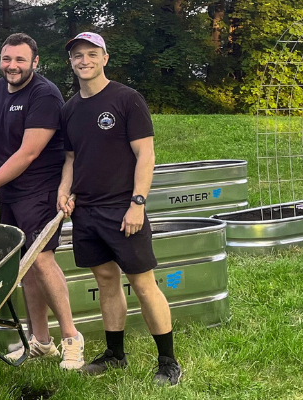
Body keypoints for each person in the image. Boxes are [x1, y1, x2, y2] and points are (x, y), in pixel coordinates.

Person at [57, 32, 182, 385]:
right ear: (71, 62)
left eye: (91, 54)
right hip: (86, 213)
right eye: (78, 55)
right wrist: (64, 191)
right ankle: (115, 355)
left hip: (123, 209)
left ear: (105, 58)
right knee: (107, 281)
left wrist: (137, 203)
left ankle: (168, 361)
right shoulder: (70, 109)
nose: (84, 60)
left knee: (143, 284)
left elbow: (146, 154)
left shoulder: (127, 100)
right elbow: (70, 158)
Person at [0, 33, 84, 370]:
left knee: (43, 260)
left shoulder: (44, 94)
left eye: (20, 60)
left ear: (35, 62)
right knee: (26, 266)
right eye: (7, 59)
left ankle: (71, 338)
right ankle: (41, 342)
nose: (13, 66)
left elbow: (29, 152)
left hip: (41, 188)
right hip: (10, 191)